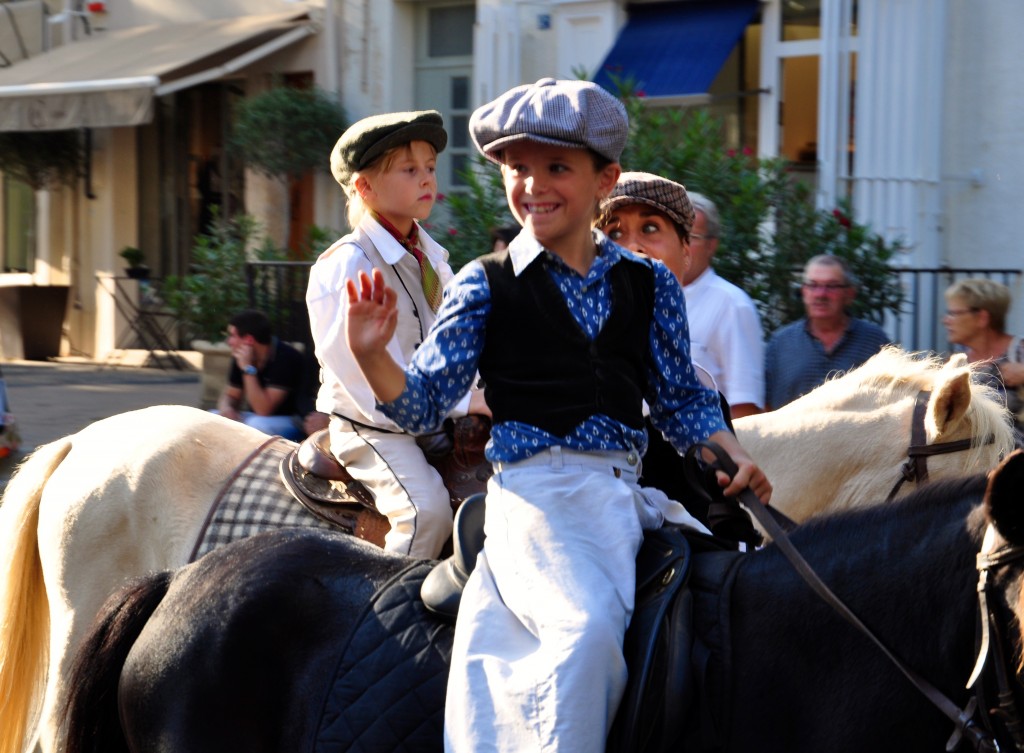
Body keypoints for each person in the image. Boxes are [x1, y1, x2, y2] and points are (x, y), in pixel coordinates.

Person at [345, 78, 771, 752]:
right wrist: (373, 356)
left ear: (607, 178)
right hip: (532, 497)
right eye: (517, 168)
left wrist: (730, 450)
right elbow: (425, 401)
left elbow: (680, 400)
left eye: (556, 168)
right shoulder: (484, 283)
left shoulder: (651, 280)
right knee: (587, 629)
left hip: (622, 494)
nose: (532, 185)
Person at [306, 110, 483, 560]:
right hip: (373, 428)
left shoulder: (432, 258)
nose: (426, 179)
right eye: (409, 170)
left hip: (431, 416)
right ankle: (386, 615)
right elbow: (362, 381)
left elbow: (452, 341)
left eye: (429, 168)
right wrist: (462, 402)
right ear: (365, 188)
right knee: (428, 514)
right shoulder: (348, 264)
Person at [599, 176, 765, 418]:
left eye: (650, 229)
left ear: (686, 249)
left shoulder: (731, 304)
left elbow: (744, 412)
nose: (633, 246)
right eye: (614, 233)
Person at [765, 254, 890, 409]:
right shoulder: (780, 344)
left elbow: (892, 402)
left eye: (831, 286)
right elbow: (765, 407)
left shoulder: (874, 342)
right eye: (812, 285)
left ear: (849, 294)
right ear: (804, 292)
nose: (821, 294)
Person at [943, 278, 1024, 444]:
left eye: (954, 313)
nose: (946, 320)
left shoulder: (1019, 352)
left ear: (982, 318)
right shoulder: (955, 364)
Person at [213, 309, 306, 440]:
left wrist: (248, 369)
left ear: (249, 340)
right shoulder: (241, 356)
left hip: (291, 421)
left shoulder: (286, 357)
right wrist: (227, 408)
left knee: (256, 425)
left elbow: (263, 409)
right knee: (211, 418)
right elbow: (231, 395)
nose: (229, 341)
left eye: (232, 336)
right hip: (256, 417)